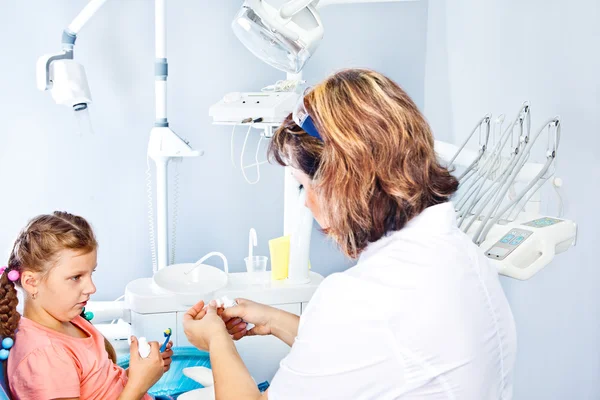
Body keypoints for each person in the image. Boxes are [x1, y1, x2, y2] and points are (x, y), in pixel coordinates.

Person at [183, 68, 517, 399]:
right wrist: (272, 320)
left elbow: (369, 329)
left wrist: (216, 341)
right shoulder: (463, 256)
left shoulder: (362, 300)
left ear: (342, 182)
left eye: (305, 187)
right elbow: (372, 352)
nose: (307, 205)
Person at [0, 211, 173, 400]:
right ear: (32, 282)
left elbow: (101, 388)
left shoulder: (70, 321)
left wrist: (141, 372)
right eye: (76, 277)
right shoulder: (42, 356)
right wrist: (138, 385)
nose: (91, 288)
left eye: (91, 273)